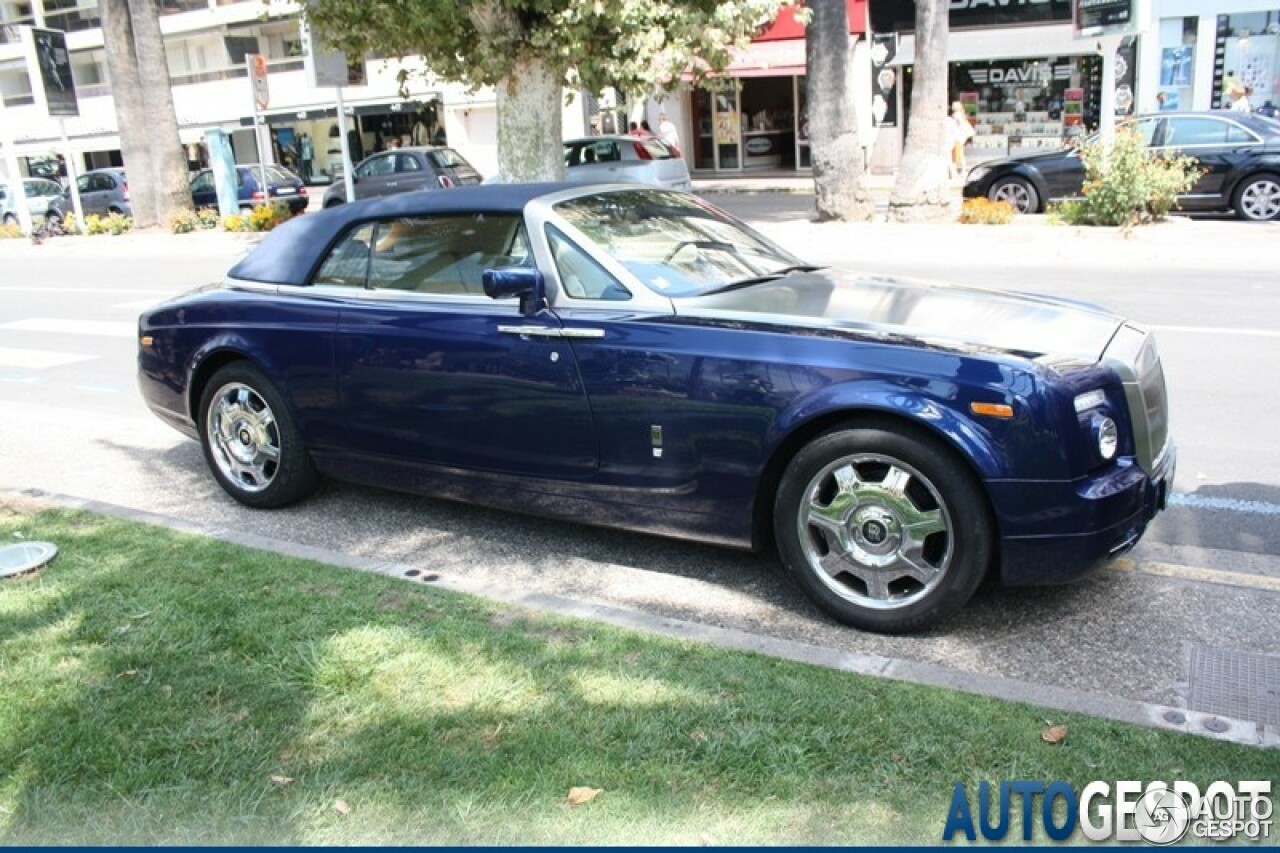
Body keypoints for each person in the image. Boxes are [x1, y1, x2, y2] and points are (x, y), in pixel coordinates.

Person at [946, 101, 974, 179]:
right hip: (960, 138)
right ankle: (962, 172)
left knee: (952, 156)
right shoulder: (962, 115)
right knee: (960, 156)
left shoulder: (956, 116)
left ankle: (954, 173)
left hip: (955, 138)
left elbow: (957, 127)